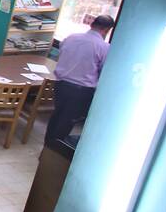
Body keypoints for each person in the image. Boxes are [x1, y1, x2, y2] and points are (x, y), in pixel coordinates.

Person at [45, 14, 115, 145]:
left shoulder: (71, 38)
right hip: (81, 91)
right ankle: (52, 151)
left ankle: (47, 146)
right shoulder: (104, 47)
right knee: (66, 122)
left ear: (92, 24)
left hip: (61, 85)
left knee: (57, 116)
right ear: (106, 30)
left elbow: (63, 55)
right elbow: (103, 71)